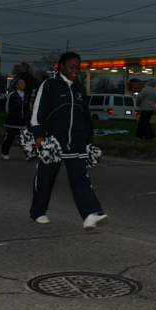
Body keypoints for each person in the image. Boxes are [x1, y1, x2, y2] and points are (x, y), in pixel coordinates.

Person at [29, 52, 107, 229]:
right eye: (71, 67)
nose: (75, 70)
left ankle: (90, 214)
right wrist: (39, 135)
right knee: (45, 178)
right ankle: (38, 211)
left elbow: (85, 115)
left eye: (78, 67)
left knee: (81, 178)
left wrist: (89, 137)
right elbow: (38, 112)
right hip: (53, 142)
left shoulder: (79, 89)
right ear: (61, 66)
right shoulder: (49, 85)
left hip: (77, 142)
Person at [1, 77, 30, 159]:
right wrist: (12, 114)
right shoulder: (12, 95)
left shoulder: (27, 96)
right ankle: (5, 152)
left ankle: (28, 154)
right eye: (21, 83)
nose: (23, 84)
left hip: (23, 121)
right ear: (17, 85)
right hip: (12, 121)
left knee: (25, 138)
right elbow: (7, 107)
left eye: (23, 83)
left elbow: (27, 108)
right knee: (10, 137)